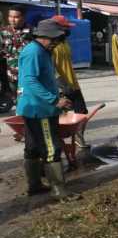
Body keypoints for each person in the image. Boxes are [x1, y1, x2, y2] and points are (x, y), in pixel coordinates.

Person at [16, 19, 72, 196]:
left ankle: (34, 185)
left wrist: (60, 92)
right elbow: (29, 80)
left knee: (32, 148)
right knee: (51, 148)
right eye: (54, 39)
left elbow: (46, 77)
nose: (56, 43)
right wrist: (54, 100)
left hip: (35, 107)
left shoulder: (43, 51)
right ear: (44, 36)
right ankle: (58, 190)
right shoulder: (34, 52)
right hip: (39, 110)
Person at [51, 15, 89, 148]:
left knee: (82, 112)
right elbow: (51, 68)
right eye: (65, 27)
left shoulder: (64, 42)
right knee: (60, 116)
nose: (68, 30)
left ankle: (79, 137)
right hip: (60, 85)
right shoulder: (51, 45)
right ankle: (57, 143)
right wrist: (60, 88)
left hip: (73, 83)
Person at [1, 5, 30, 102]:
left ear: (23, 17)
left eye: (16, 17)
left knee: (29, 97)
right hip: (12, 74)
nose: (12, 20)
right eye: (10, 16)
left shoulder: (32, 32)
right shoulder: (3, 32)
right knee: (18, 97)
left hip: (29, 73)